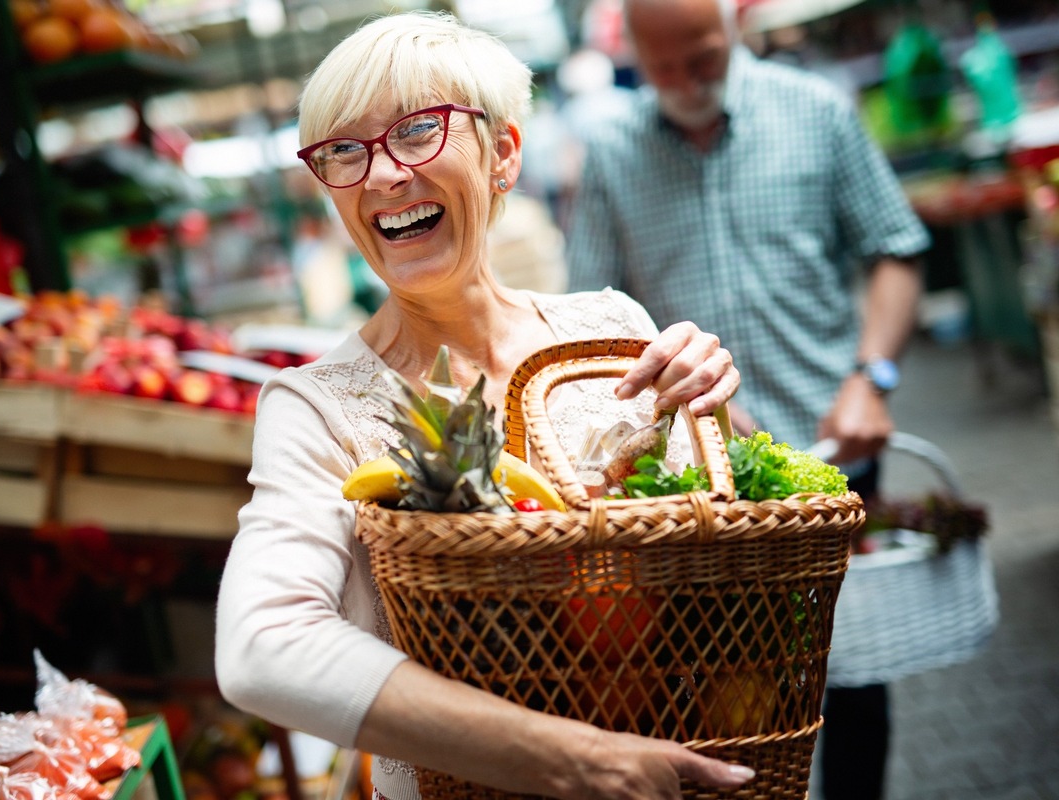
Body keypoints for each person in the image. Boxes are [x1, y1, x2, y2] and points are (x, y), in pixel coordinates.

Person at [215, 11, 755, 800]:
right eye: (343, 151)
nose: (382, 177)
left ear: (503, 153)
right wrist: (581, 759)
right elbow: (261, 647)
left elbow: (713, 561)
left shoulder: (612, 330)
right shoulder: (314, 408)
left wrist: (715, 414)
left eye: (416, 133)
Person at [563, 0, 931, 798]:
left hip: (834, 451)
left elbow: (896, 249)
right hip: (700, 489)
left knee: (855, 678)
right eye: (664, 69)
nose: (687, 84)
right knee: (725, 694)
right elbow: (585, 319)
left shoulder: (817, 112)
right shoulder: (611, 153)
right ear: (634, 54)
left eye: (702, 59)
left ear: (732, 26)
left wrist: (873, 379)